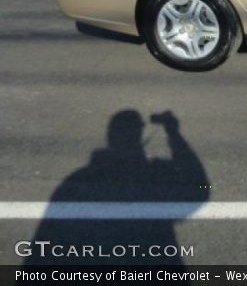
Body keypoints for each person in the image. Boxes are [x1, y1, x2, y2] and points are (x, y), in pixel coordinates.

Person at [25, 110, 208, 266]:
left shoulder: (79, 182)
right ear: (141, 139)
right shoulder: (155, 176)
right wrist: (174, 134)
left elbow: (44, 245)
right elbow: (198, 188)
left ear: (111, 138)